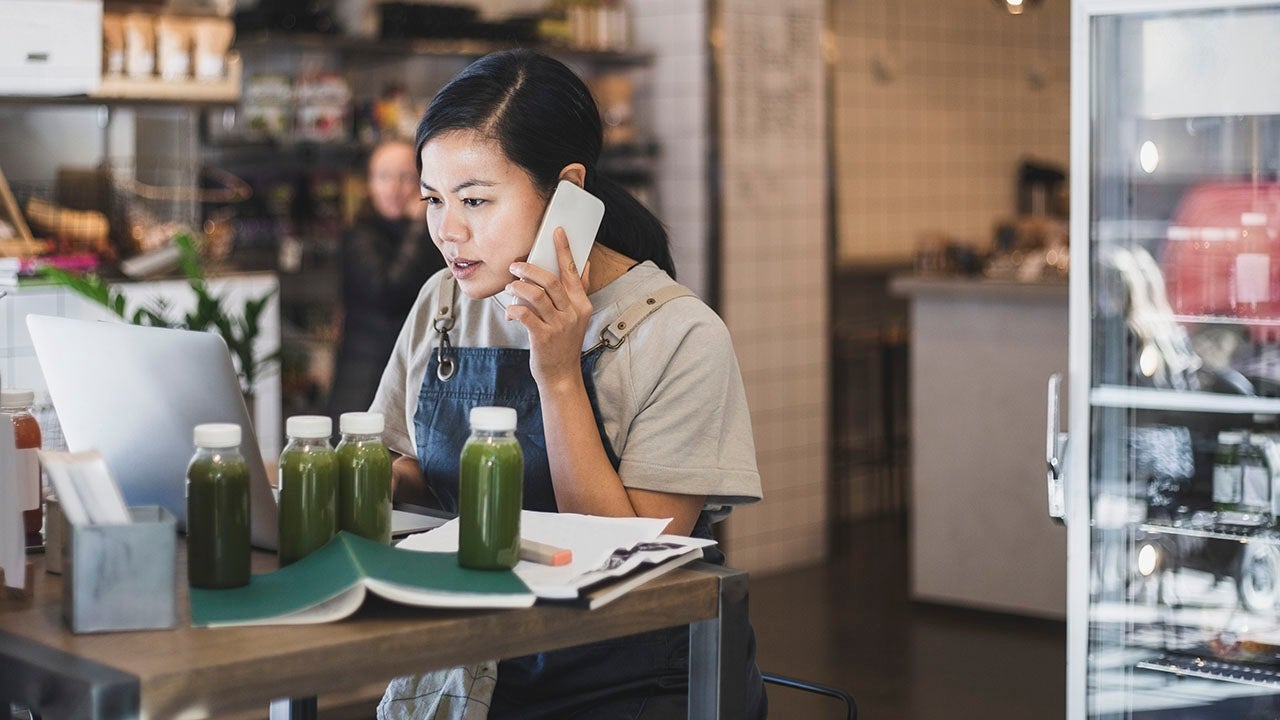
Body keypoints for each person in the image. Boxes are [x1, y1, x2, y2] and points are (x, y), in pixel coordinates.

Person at [370, 49, 767, 719]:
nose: (448, 231)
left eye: (475, 200)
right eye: (434, 199)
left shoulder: (681, 336)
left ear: (567, 191)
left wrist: (557, 372)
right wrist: (354, 477)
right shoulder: (446, 299)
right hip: (470, 664)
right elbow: (408, 464)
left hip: (626, 684)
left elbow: (633, 560)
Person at [328, 139, 447, 423]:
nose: (394, 188)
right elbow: (388, 291)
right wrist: (419, 225)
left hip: (415, 373)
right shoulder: (360, 235)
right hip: (365, 379)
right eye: (383, 177)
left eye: (405, 177)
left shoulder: (435, 235)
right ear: (369, 184)